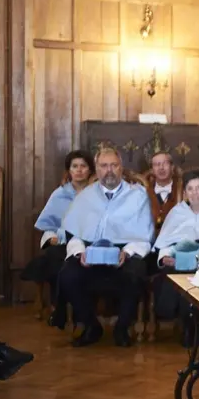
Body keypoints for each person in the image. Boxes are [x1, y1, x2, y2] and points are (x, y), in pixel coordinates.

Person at [57, 147, 155, 347]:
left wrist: (127, 252)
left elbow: (144, 235)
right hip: (90, 252)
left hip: (124, 252)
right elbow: (73, 233)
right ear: (97, 169)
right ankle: (92, 326)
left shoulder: (137, 195)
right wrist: (79, 252)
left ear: (121, 168)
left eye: (114, 165)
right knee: (67, 275)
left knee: (136, 272)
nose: (109, 170)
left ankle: (122, 328)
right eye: (104, 166)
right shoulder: (85, 196)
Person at [21, 149, 94, 327]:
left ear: (90, 170)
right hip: (64, 241)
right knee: (54, 257)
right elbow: (49, 225)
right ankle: (61, 307)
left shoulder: (96, 194)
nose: (79, 170)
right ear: (69, 170)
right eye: (74, 166)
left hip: (88, 242)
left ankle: (61, 309)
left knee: (60, 260)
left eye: (83, 166)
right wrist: (52, 237)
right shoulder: (60, 194)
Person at [151, 169, 199, 321]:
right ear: (185, 192)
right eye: (190, 189)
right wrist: (166, 256)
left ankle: (195, 325)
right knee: (172, 273)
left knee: (198, 274)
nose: (195, 193)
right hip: (179, 256)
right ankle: (182, 322)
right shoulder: (177, 212)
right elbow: (165, 241)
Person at [145, 150, 180, 231]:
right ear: (152, 170)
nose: (161, 168)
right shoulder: (144, 191)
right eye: (157, 164)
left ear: (172, 167)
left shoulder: (182, 190)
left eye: (165, 163)